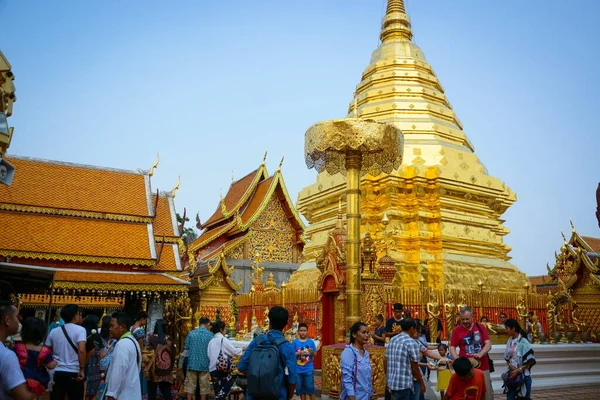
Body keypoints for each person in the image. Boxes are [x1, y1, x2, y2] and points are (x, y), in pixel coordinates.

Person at [238, 306, 298, 400]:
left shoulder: (257, 341)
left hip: (254, 394)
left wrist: (258, 376)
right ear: (286, 324)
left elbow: (242, 367)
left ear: (269, 321)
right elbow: (292, 378)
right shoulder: (288, 346)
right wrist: (289, 395)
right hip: (277, 394)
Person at [44, 304, 86, 400]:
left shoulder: (54, 331)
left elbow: (46, 350)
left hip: (57, 372)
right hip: (74, 372)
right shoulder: (80, 330)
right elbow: (82, 350)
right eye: (79, 314)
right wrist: (82, 369)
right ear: (75, 316)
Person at [450, 307, 493, 400]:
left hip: (482, 365)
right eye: (462, 319)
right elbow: (452, 347)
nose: (465, 321)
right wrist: (457, 360)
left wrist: (481, 353)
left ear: (472, 316)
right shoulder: (456, 330)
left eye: (467, 319)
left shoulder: (481, 327)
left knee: (486, 392)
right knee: (467, 392)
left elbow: (488, 344)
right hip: (465, 369)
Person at [13, 317, 56, 398]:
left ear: (23, 333)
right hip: (38, 382)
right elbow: (50, 366)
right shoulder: (44, 351)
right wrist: (55, 363)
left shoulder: (17, 348)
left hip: (19, 380)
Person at [1, 302, 36, 400]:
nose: (20, 319)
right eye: (16, 316)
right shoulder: (7, 355)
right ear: (7, 320)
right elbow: (23, 397)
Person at [385, 318, 425, 400]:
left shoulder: (393, 339)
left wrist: (388, 377)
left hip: (392, 382)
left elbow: (385, 360)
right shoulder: (411, 342)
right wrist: (421, 383)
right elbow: (414, 367)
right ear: (411, 328)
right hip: (404, 384)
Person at [104, 312, 141, 400]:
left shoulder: (123, 344)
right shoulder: (132, 340)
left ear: (122, 327)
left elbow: (118, 371)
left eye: (112, 326)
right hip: (130, 393)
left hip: (122, 395)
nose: (109, 329)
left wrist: (111, 395)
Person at [207, 321, 243, 400]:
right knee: (228, 383)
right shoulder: (223, 340)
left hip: (212, 370)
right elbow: (234, 351)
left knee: (218, 391)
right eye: (225, 329)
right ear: (221, 329)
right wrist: (244, 349)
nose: (226, 330)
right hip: (221, 370)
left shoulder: (211, 341)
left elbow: (209, 355)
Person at [503, 319, 535, 400]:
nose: (505, 330)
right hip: (512, 375)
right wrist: (511, 366)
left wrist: (518, 370)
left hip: (523, 376)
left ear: (513, 329)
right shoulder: (509, 341)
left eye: (507, 328)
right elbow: (507, 358)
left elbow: (530, 360)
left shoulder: (523, 341)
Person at [340, 322, 373, 400]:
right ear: (354, 334)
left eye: (367, 333)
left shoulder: (366, 353)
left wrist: (370, 392)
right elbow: (347, 378)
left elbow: (368, 376)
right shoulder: (349, 352)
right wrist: (352, 396)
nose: (367, 335)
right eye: (363, 332)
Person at [183, 316, 213, 400]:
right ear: (208, 324)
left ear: (199, 324)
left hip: (192, 363)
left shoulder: (191, 333)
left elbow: (186, 347)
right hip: (205, 363)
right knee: (204, 387)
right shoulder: (210, 335)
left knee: (190, 385)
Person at [145, 319, 174, 400]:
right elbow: (173, 354)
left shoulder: (151, 338)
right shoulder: (169, 339)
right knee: (166, 392)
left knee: (152, 392)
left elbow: (148, 352)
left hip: (154, 369)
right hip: (167, 370)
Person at [292, 323, 317, 400]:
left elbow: (315, 355)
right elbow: (291, 355)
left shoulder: (311, 342)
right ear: (298, 332)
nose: (303, 332)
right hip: (298, 370)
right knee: (301, 390)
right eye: (301, 331)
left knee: (310, 389)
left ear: (307, 331)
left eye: (304, 331)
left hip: (308, 369)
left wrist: (312, 351)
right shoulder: (294, 342)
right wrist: (298, 353)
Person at [82, 315, 102, 399]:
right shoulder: (97, 338)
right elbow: (100, 354)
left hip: (84, 366)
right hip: (94, 368)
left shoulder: (83, 335)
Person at [131, 311, 148, 397]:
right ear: (142, 319)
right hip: (138, 357)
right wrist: (143, 361)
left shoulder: (131, 328)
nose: (145, 322)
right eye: (145, 320)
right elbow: (141, 348)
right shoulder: (140, 331)